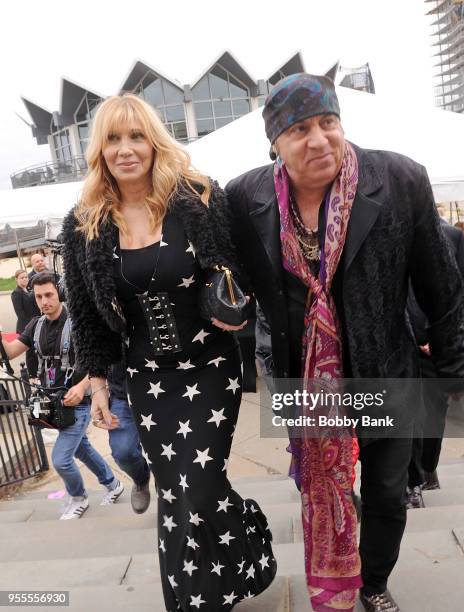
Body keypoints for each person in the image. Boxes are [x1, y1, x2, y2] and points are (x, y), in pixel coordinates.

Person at [225, 74, 464, 612]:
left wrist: (454, 359)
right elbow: (223, 272)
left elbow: (440, 278)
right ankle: (337, 558)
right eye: (298, 129)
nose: (319, 140)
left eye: (327, 122)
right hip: (304, 378)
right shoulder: (245, 197)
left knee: (387, 491)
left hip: (385, 368)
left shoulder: (399, 179)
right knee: (321, 487)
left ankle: (374, 581)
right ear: (275, 143)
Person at [61, 94, 276, 611]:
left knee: (199, 485)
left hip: (210, 368)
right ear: (100, 150)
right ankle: (194, 600)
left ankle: (245, 538)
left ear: (154, 140)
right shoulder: (84, 222)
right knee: (177, 494)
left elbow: (239, 270)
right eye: (113, 139)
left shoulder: (199, 196)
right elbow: (88, 313)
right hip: (147, 376)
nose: (126, 149)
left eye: (136, 136)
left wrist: (236, 302)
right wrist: (95, 382)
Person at [0, 272, 123, 519]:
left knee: (61, 459)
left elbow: (102, 360)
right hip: (50, 402)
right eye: (38, 297)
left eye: (49, 295)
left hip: (78, 402)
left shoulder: (78, 323)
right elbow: (12, 351)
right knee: (81, 449)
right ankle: (112, 484)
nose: (44, 301)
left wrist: (82, 387)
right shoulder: (36, 325)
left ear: (59, 294)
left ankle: (79, 497)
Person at [406, 221, 464, 508]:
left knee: (434, 415)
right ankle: (411, 482)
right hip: (399, 344)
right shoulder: (386, 229)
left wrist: (444, 339)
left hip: (436, 346)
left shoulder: (451, 236)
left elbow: (462, 290)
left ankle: (428, 467)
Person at [107, 361, 151, 513]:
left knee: (167, 451)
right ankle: (141, 479)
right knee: (123, 451)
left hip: (164, 386)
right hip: (122, 393)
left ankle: (166, 483)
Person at [10, 269, 39, 377]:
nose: (25, 279)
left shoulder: (30, 290)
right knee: (30, 351)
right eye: (22, 278)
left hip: (35, 323)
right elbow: (20, 314)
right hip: (26, 326)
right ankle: (32, 373)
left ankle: (38, 370)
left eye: (26, 277)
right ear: (16, 279)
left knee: (36, 349)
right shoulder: (16, 293)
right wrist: (31, 326)